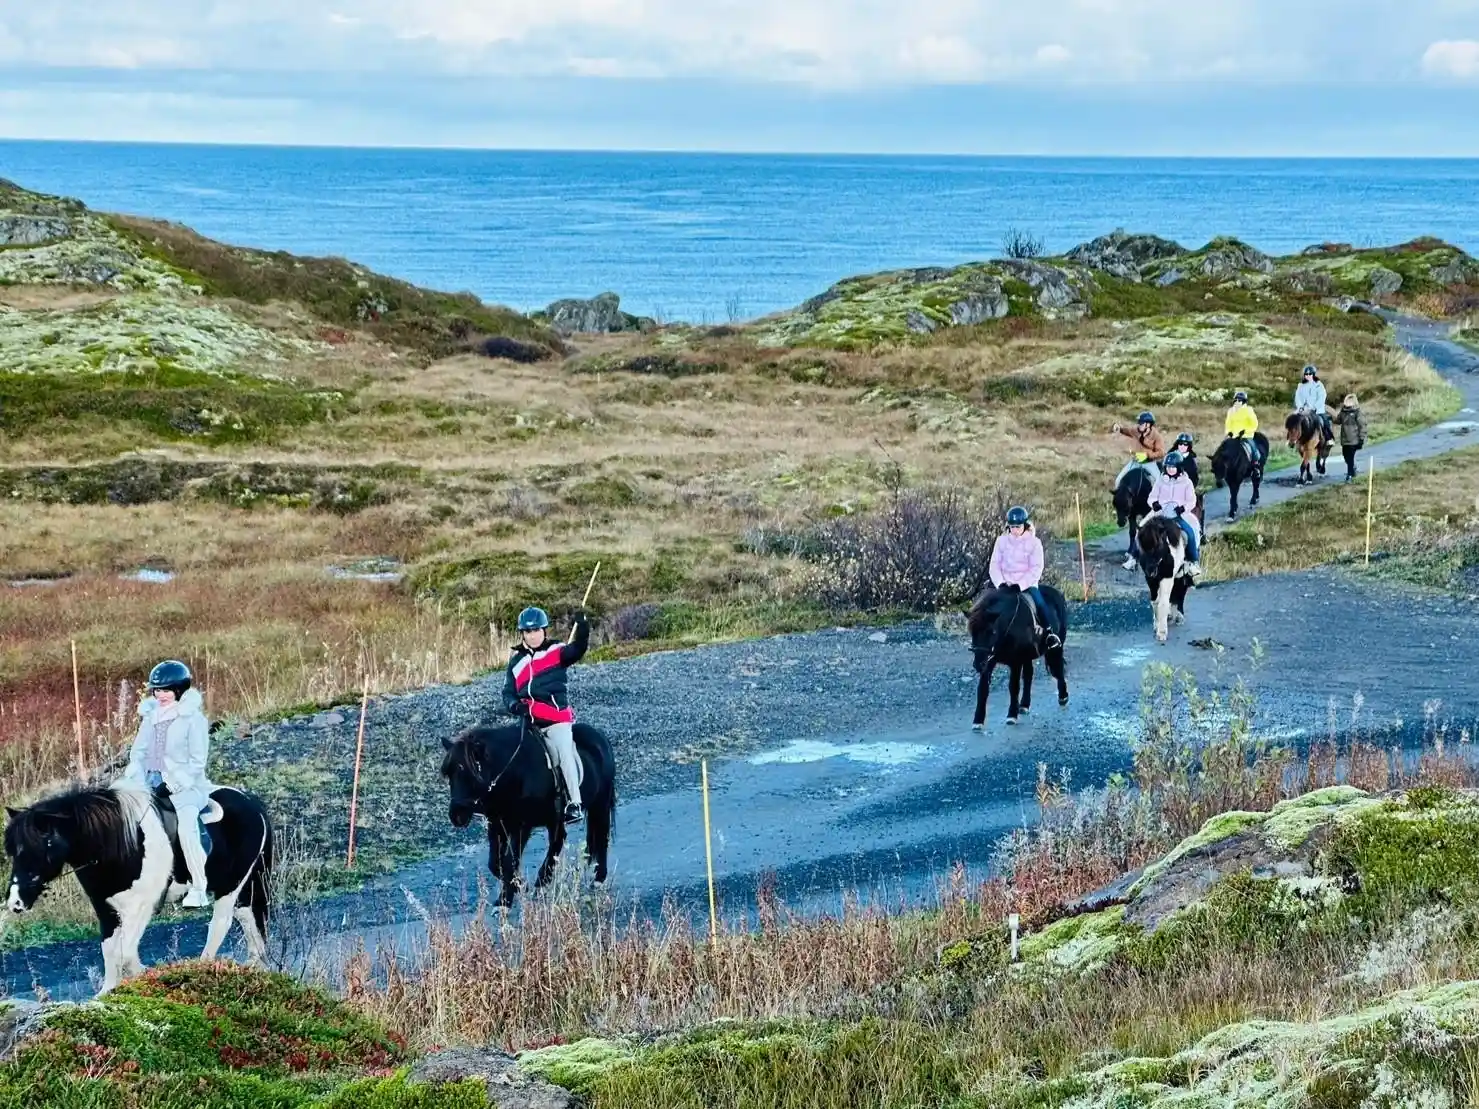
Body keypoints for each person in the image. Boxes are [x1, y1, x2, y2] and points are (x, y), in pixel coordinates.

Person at [116, 660, 218, 907]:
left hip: (187, 786)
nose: (160, 695)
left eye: (166, 690)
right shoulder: (151, 717)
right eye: (157, 690)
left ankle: (199, 886)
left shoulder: (194, 720)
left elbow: (197, 762)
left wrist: (171, 785)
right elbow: (138, 753)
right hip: (149, 781)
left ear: (180, 690)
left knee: (185, 827)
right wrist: (136, 777)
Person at [503, 606, 589, 824]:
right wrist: (514, 706)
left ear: (544, 630)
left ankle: (575, 803)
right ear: (522, 633)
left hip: (556, 720)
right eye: (528, 632)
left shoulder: (558, 652)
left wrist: (583, 627)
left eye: (537, 631)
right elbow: (508, 692)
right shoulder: (515, 662)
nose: (533, 636)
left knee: (564, 751)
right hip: (529, 723)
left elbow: (578, 649)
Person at [987, 505, 1061, 650]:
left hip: (1027, 585)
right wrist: (1000, 582)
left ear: (1025, 525)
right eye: (1012, 526)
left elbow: (1036, 568)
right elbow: (994, 565)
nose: (1015, 530)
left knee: (1039, 603)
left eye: (1018, 526)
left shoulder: (1034, 543)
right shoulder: (1001, 541)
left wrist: (1020, 585)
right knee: (986, 602)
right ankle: (983, 635)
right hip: (1004, 584)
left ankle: (1049, 633)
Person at [1150, 451, 1202, 578]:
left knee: (1189, 532)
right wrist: (1154, 503)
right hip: (1161, 514)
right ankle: (1135, 556)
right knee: (1144, 530)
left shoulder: (1186, 482)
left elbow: (1192, 500)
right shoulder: (1160, 480)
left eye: (1173, 467)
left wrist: (1183, 508)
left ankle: (1194, 562)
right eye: (1168, 467)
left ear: (1179, 467)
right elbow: (1152, 496)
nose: (1170, 469)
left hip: (1177, 515)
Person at [1111, 411, 1166, 490]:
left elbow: (1161, 453)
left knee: (1159, 482)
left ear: (1148, 424)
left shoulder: (1156, 436)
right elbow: (1128, 431)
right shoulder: (1136, 430)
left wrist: (1147, 455)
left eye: (1141, 423)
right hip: (1136, 461)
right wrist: (1119, 429)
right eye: (1139, 423)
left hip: (1149, 462)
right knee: (1118, 480)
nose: (1139, 425)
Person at [1333, 393, 1368, 483]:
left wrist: (1361, 439)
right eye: (1347, 400)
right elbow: (1338, 420)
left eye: (1350, 400)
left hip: (1354, 440)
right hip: (1345, 440)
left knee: (1350, 457)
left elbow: (1362, 426)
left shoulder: (1357, 413)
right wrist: (1330, 417)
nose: (1347, 402)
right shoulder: (1343, 412)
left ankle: (1350, 475)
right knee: (1346, 456)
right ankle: (1352, 469)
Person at [1294, 364, 1333, 443]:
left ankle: (1329, 438)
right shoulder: (1301, 386)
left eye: (1310, 374)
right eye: (1306, 374)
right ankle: (1292, 439)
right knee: (1293, 421)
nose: (1308, 376)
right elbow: (1298, 397)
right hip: (1304, 409)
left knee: (1324, 420)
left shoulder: (1318, 385)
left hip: (1317, 409)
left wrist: (1315, 407)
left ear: (1313, 374)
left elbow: (1322, 396)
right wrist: (1300, 406)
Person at [1224, 390, 1261, 462]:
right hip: (1233, 436)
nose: (1237, 401)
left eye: (1239, 400)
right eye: (1236, 400)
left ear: (1244, 401)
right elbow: (1228, 423)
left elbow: (1254, 424)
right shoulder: (1230, 411)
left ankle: (1256, 466)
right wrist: (1228, 432)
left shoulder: (1249, 410)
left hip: (1246, 436)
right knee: (1222, 450)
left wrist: (1245, 431)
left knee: (1254, 451)